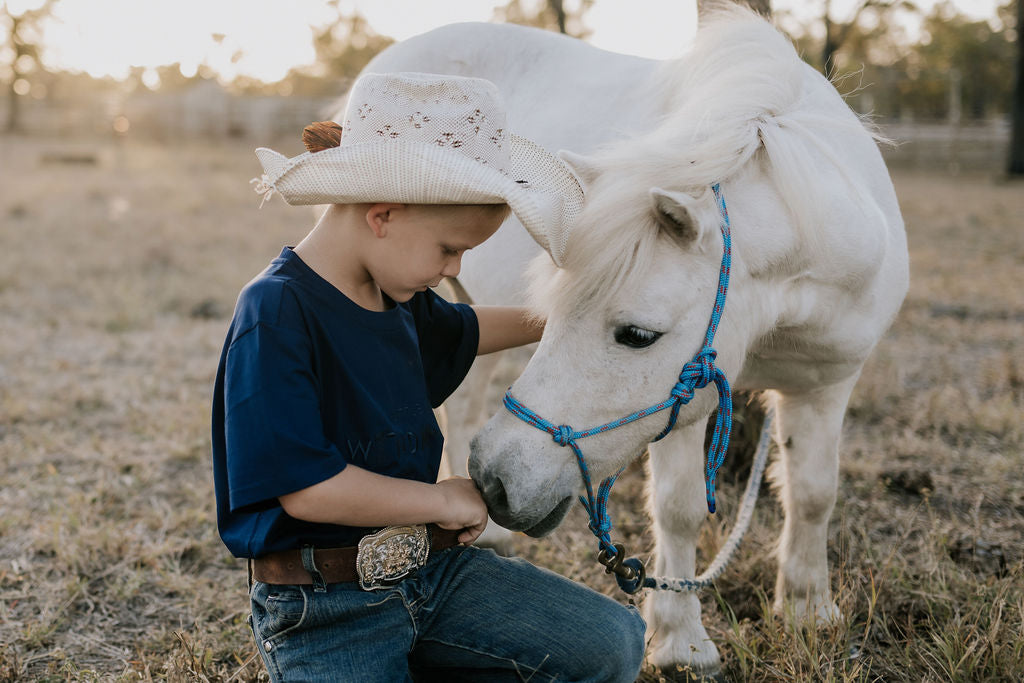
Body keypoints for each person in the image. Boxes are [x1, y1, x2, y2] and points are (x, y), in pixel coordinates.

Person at [211, 72, 646, 682]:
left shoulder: (397, 297)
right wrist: (440, 498)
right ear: (383, 214)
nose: (454, 269)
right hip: (324, 605)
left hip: (432, 574)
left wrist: (570, 316)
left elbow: (466, 328)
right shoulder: (277, 312)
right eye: (448, 249)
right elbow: (309, 488)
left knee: (612, 643)